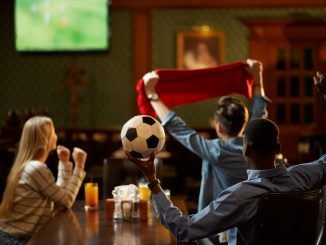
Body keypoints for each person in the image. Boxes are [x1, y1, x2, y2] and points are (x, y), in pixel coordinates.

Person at [125, 70, 326, 245]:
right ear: (278, 147)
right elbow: (259, 120)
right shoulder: (304, 176)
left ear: (245, 149)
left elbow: (183, 230)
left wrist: (152, 179)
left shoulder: (240, 196)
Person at [142, 59, 270, 244]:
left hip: (222, 231)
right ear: (244, 124)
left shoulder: (217, 151)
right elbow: (260, 112)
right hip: (254, 226)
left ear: (218, 127)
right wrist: (257, 78)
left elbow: (178, 128)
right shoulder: (254, 143)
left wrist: (151, 93)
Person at [0, 116, 87, 244]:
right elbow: (67, 201)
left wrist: (64, 163)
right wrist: (79, 166)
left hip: (10, 237)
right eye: (53, 132)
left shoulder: (29, 165)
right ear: (44, 139)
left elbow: (59, 197)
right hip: (15, 241)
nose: (56, 136)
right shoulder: (36, 169)